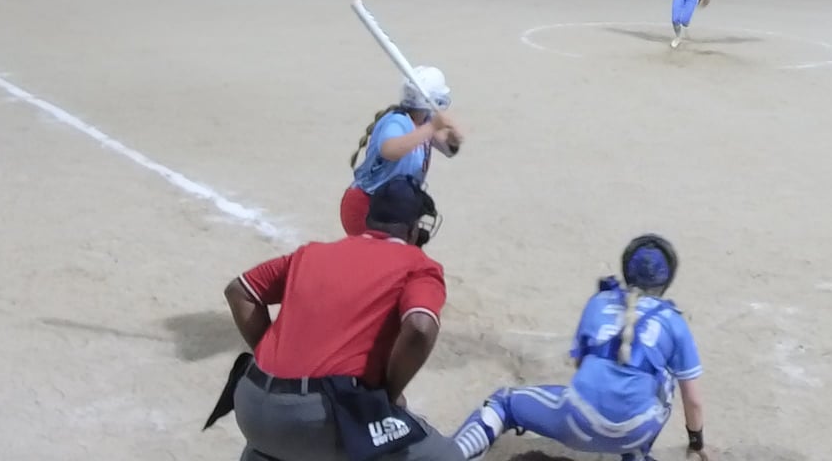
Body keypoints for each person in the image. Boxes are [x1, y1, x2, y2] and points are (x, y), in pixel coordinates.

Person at [209, 176, 464, 461]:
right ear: (414, 229)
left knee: (277, 449)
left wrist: (269, 360)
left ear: (368, 220)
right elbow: (420, 328)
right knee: (448, 456)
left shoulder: (310, 254)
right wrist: (389, 393)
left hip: (251, 406)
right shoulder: (417, 265)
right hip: (314, 419)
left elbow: (239, 292)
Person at [449, 234, 707, 461]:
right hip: (636, 432)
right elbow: (693, 401)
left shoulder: (600, 301)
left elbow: (581, 365)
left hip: (577, 421)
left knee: (503, 403)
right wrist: (696, 443)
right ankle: (636, 454)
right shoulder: (674, 321)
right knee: (666, 379)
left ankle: (451, 456)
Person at [343, 66, 461, 237]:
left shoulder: (424, 122)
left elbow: (449, 149)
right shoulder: (397, 122)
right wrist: (431, 127)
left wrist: (453, 136)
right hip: (368, 206)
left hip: (393, 206)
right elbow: (390, 150)